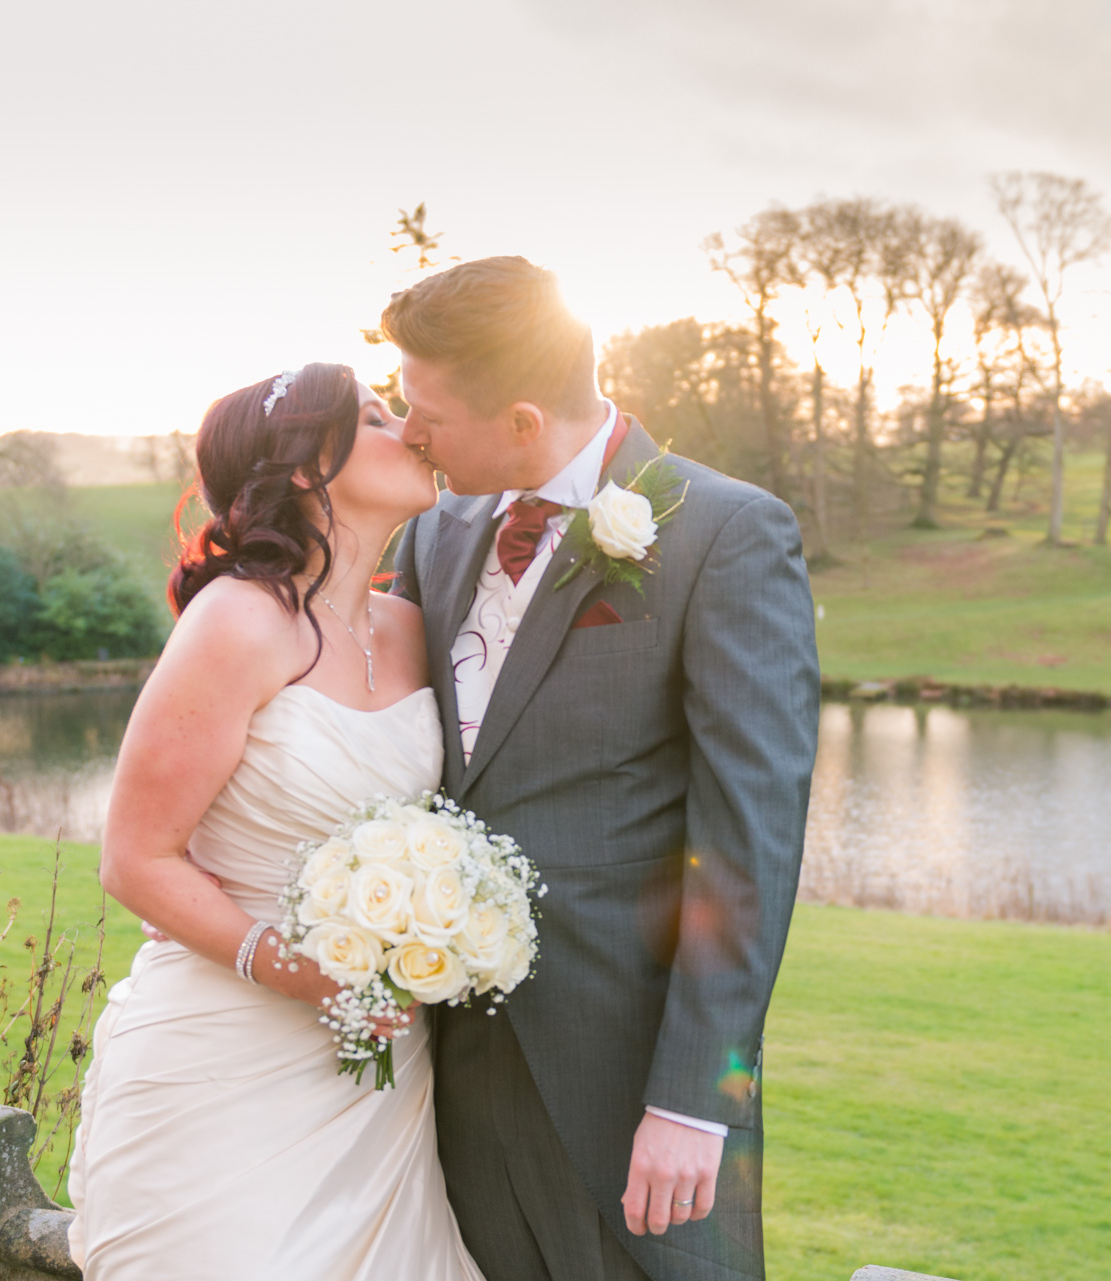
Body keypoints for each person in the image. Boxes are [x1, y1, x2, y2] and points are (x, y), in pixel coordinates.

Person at [386, 257, 819, 1281]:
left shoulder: (726, 534)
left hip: (627, 1076)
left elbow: (748, 832)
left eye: (426, 413)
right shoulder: (430, 537)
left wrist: (692, 1097)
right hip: (446, 1064)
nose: (408, 434)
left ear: (524, 422)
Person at [65, 363, 484, 1279]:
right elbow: (136, 859)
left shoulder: (412, 628)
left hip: (375, 1078)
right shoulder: (238, 623)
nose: (410, 429)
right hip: (224, 1060)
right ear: (305, 468)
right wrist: (300, 971)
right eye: (376, 418)